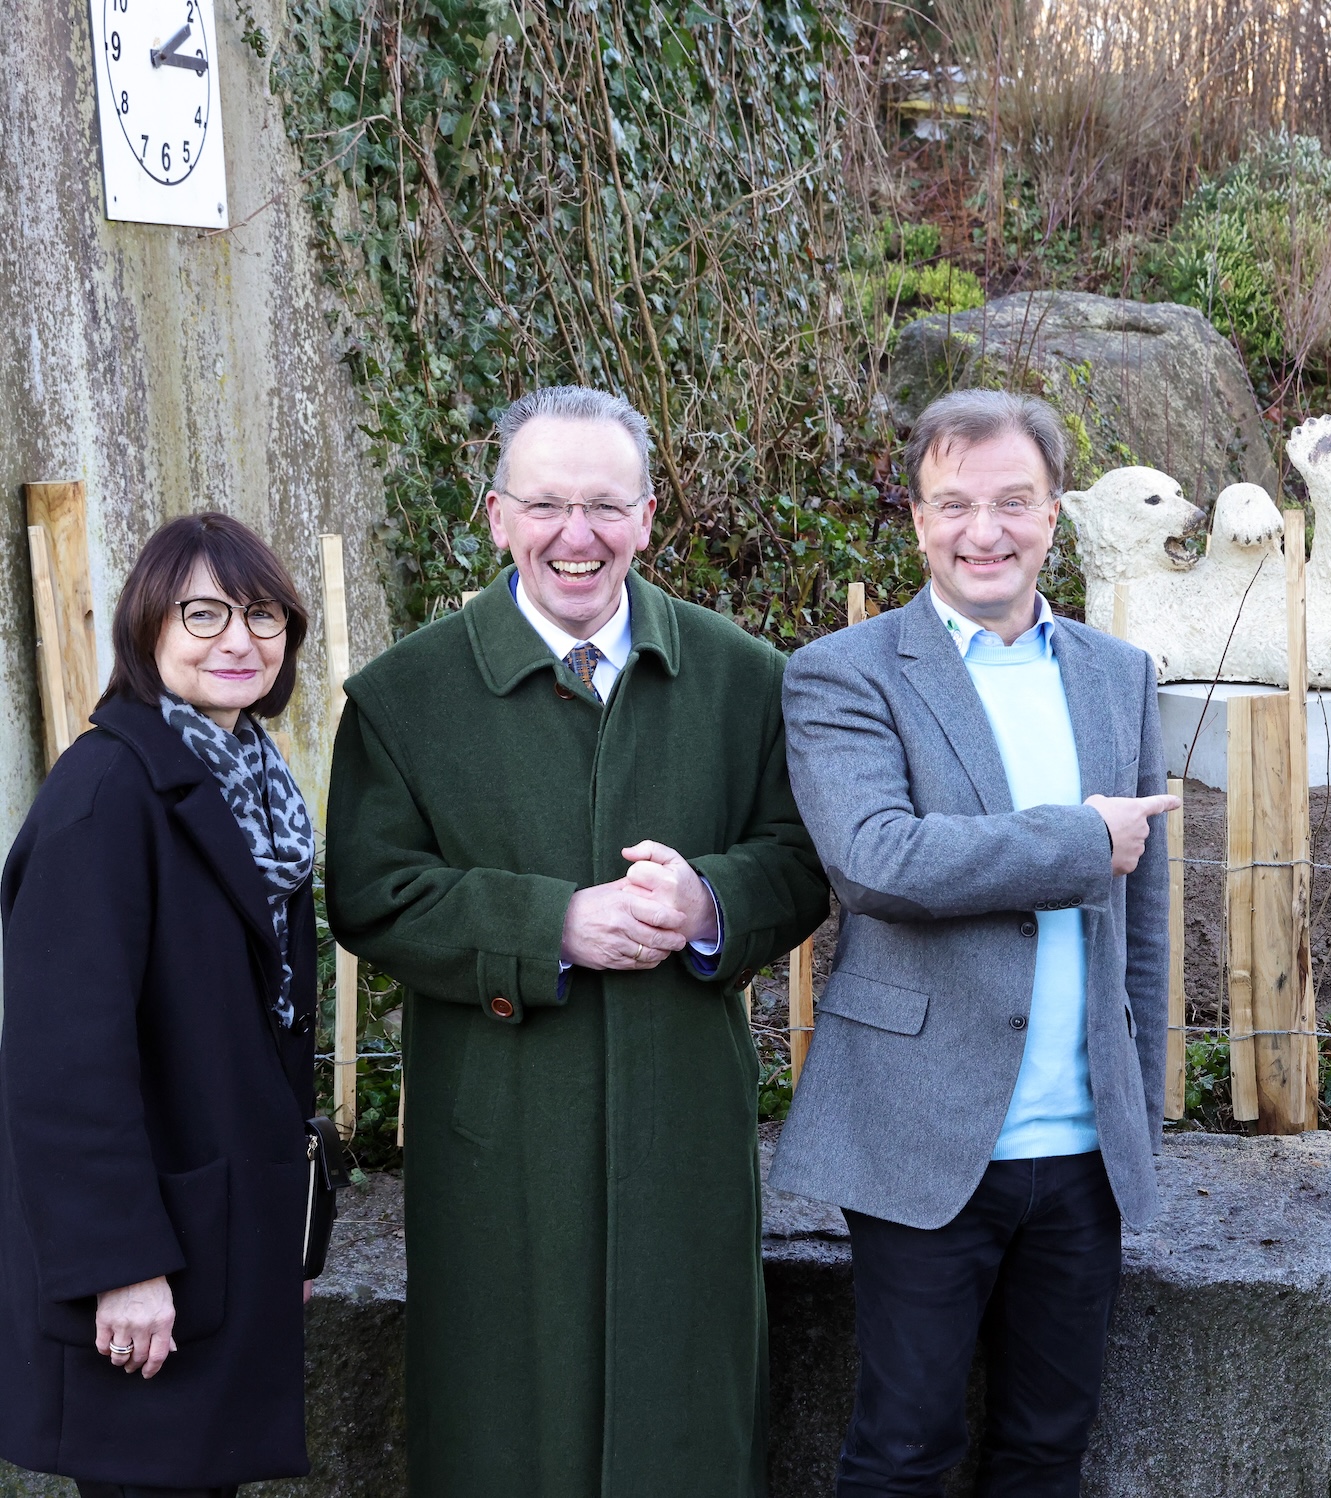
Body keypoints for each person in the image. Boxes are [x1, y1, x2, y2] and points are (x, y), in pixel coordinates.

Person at [325, 385, 829, 1498]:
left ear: (648, 517)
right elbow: (369, 894)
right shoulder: (404, 696)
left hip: (682, 1127)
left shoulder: (745, 677)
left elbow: (800, 859)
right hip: (496, 1134)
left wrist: (709, 901)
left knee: (686, 1423)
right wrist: (549, 922)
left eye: (605, 504)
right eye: (546, 503)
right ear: (496, 515)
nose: (577, 534)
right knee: (503, 1424)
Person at [771, 388, 1175, 1496]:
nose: (983, 530)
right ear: (915, 520)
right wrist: (1085, 836)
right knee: (903, 1450)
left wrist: (1131, 1113)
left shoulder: (1116, 675)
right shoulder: (843, 672)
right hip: (921, 1137)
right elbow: (880, 860)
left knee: (1048, 1447)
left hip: (1080, 1151)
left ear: (1055, 515)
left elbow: (1139, 930)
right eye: (954, 503)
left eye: (1013, 501)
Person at [0, 515, 323, 1497]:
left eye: (263, 616)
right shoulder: (106, 790)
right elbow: (63, 1060)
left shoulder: (253, 782)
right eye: (205, 614)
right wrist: (120, 1266)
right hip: (151, 1258)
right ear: (149, 630)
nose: (239, 640)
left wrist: (293, 1228)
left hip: (223, 1234)